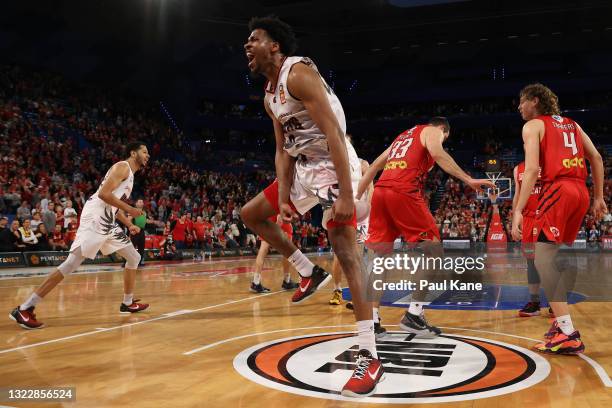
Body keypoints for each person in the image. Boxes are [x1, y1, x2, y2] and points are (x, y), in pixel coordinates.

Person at [240, 16, 382, 397]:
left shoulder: (298, 73)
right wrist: (284, 195)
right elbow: (281, 149)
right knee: (251, 214)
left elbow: (335, 133)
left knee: (347, 253)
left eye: (254, 39)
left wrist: (349, 194)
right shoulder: (270, 95)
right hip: (305, 168)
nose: (246, 46)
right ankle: (308, 272)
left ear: (275, 46)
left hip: (336, 166)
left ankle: (370, 355)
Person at [357, 117, 494, 338]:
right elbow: (438, 154)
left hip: (381, 192)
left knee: (380, 259)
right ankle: (414, 314)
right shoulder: (432, 131)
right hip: (403, 191)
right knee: (434, 250)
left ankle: (372, 321)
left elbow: (373, 167)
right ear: (444, 131)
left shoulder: (402, 137)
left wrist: (355, 199)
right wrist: (469, 179)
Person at [10, 142, 151, 330]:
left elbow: (114, 206)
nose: (148, 155)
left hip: (107, 220)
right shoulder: (122, 167)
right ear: (133, 153)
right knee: (71, 264)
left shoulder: (130, 175)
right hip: (96, 217)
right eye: (144, 152)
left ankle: (127, 303)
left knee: (134, 257)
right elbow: (103, 194)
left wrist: (129, 224)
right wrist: (131, 209)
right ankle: (25, 308)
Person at [512, 83, 607, 355]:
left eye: (522, 101)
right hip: (581, 191)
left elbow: (531, 170)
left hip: (559, 190)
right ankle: (559, 321)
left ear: (535, 100)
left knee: (541, 258)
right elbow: (597, 158)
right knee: (550, 256)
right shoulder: (573, 124)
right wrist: (599, 196)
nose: (519, 107)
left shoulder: (533, 126)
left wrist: (518, 210)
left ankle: (566, 330)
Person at [513, 161, 554, 318]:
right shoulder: (518, 169)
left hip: (547, 217)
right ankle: (535, 303)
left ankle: (554, 303)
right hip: (528, 220)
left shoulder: (550, 162)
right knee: (531, 261)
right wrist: (514, 221)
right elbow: (517, 195)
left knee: (548, 261)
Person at [250, 215, 299, 293]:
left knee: (262, 251)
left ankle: (256, 282)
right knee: (287, 251)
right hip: (280, 219)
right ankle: (287, 281)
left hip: (266, 220)